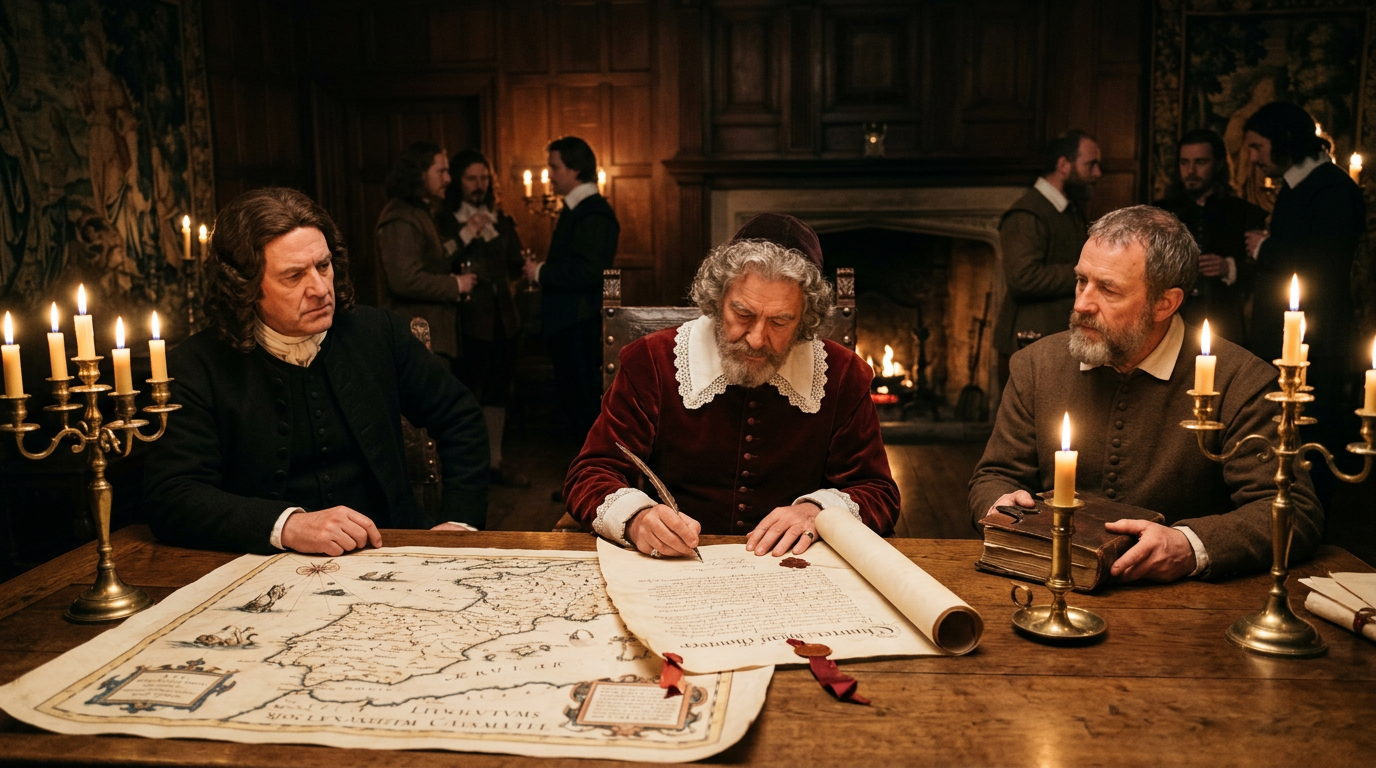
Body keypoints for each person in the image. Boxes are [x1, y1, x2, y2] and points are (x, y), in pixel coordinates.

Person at [969, 205, 1322, 583]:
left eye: (1108, 289)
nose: (1081, 304)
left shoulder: (1240, 379)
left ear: (1165, 303)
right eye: (1081, 281)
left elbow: (1294, 511)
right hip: (1045, 585)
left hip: (1183, 608)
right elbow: (995, 474)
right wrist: (998, 501)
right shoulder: (1036, 365)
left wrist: (1189, 546)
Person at [144, 187, 489, 556]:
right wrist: (287, 525)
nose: (321, 289)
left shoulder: (378, 334)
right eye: (294, 276)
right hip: (259, 565)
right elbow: (174, 496)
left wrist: (460, 522)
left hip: (393, 549)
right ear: (244, 288)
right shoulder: (196, 366)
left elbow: (461, 418)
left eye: (323, 266)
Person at [564, 214, 900, 559]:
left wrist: (817, 513)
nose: (756, 339)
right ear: (717, 298)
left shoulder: (843, 374)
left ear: (805, 319)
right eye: (742, 314)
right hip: (673, 568)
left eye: (780, 321)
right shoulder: (651, 361)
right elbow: (590, 473)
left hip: (795, 571)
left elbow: (878, 492)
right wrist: (636, 518)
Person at [1243, 102, 1366, 504]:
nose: (1253, 158)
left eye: (1258, 147)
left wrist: (1266, 250)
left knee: (1311, 431)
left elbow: (1324, 266)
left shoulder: (1332, 189)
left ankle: (1307, 514)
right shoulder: (1300, 186)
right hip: (1291, 336)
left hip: (1317, 339)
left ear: (1285, 143)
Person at [435, 149, 529, 488]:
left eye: (484, 178)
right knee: (467, 390)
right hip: (467, 318)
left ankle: (494, 461)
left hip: (504, 317)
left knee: (498, 390)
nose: (479, 185)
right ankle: (465, 466)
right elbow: (438, 260)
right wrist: (466, 234)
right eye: (472, 178)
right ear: (458, 182)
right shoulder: (445, 221)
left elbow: (516, 261)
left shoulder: (500, 220)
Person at [521, 136, 619, 443]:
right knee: (575, 402)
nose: (549, 174)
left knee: (583, 404)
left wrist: (539, 271)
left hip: (577, 323)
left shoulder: (592, 212)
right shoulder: (581, 209)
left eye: (554, 166)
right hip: (570, 322)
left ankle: (592, 482)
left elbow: (587, 271)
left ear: (575, 169)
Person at [994, 130, 1102, 381]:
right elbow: (1023, 278)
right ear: (1064, 165)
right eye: (1091, 164)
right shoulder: (1027, 213)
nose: (1097, 174)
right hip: (1029, 341)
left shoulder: (1069, 209)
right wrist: (1087, 275)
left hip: (1055, 338)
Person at [1152, 128, 1267, 344]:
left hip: (1225, 319)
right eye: (1184, 162)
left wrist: (1228, 267)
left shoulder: (1243, 212)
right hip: (1172, 318)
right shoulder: (1160, 213)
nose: (1191, 170)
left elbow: (1263, 273)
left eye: (1200, 162)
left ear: (1217, 164)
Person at [376, 141, 476, 364]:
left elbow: (435, 258)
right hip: (418, 339)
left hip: (429, 338)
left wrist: (466, 235)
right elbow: (404, 279)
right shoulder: (401, 216)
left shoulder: (421, 212)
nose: (448, 179)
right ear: (419, 174)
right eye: (441, 171)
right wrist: (456, 285)